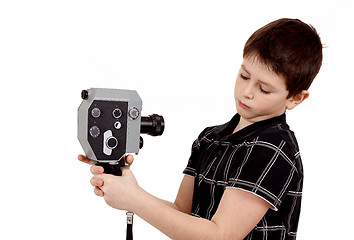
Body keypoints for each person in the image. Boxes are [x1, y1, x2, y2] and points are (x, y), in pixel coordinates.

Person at [78, 18, 322, 240]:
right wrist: (130, 189)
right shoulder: (210, 138)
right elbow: (183, 215)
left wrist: (135, 200)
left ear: (296, 99)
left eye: (264, 89)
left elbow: (220, 236)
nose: (247, 92)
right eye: (244, 75)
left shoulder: (272, 149)